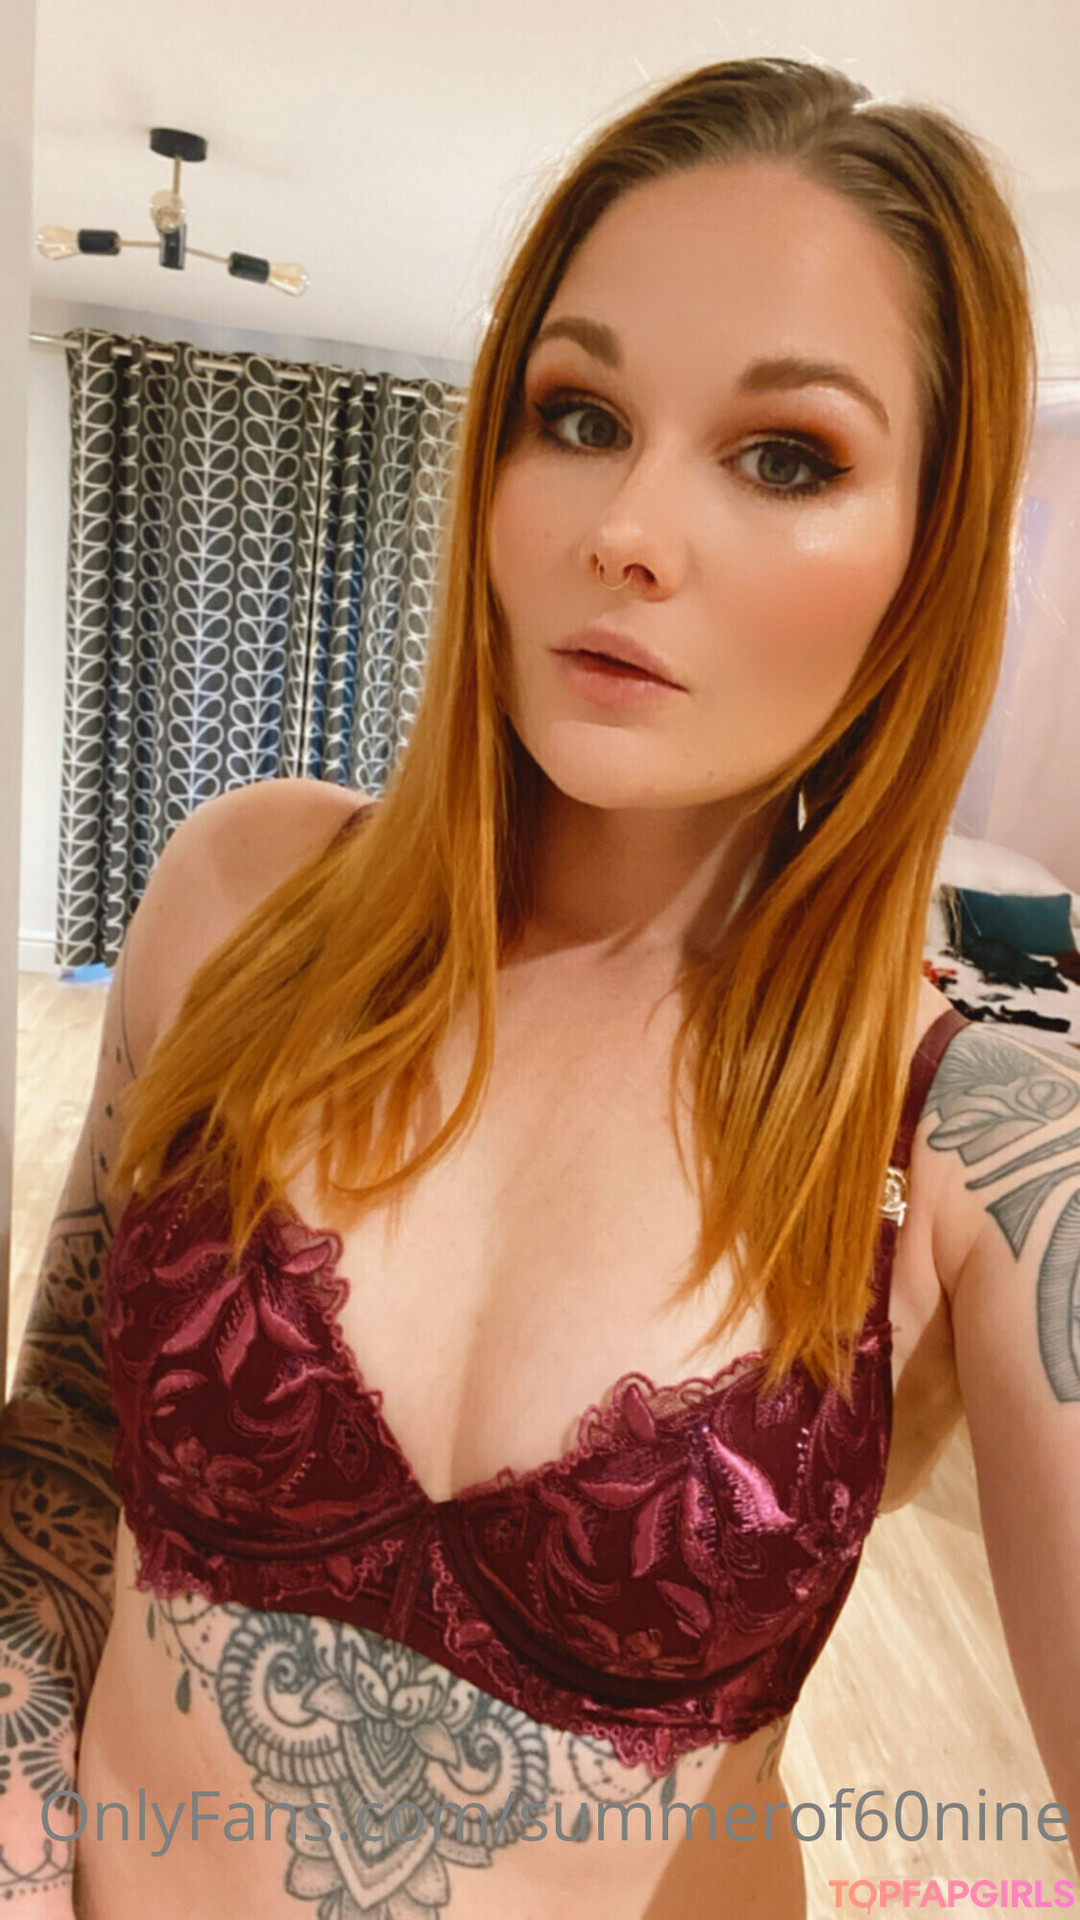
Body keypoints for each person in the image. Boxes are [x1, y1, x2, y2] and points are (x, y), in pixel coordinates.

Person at [2, 54, 1076, 1920]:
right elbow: (63, 1455)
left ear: (927, 555)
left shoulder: (977, 1146)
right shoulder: (242, 896)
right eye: (578, 415)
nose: (625, 529)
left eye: (786, 456)